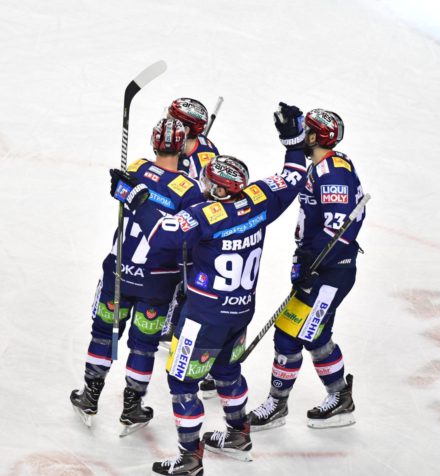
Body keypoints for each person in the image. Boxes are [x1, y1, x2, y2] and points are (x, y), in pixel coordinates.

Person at [110, 136, 309, 474]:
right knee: (227, 370)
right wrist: (294, 143)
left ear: (216, 189)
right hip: (240, 311)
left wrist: (135, 198)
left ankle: (189, 458)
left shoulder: (206, 214)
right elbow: (292, 177)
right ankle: (237, 435)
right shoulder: (258, 199)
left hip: (203, 315)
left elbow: (162, 234)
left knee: (181, 382)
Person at [70, 118, 204, 436]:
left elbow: (121, 193)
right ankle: (132, 406)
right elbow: (190, 240)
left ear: (154, 142)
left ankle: (90, 395)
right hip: (157, 281)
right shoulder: (190, 190)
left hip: (119, 269)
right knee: (143, 345)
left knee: (103, 333)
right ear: (182, 147)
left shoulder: (137, 168)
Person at [247, 105, 366, 431]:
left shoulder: (332, 174)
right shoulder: (326, 164)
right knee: (316, 335)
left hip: (330, 272)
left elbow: (338, 228)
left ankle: (277, 405)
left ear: (316, 136)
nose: (304, 135)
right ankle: (340, 397)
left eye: (307, 131)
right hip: (322, 268)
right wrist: (290, 138)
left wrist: (314, 266)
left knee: (289, 335)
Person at [163, 97, 221, 399]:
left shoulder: (207, 159)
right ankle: (170, 323)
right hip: (181, 228)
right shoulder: (181, 147)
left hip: (201, 234)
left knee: (198, 295)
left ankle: (209, 367)